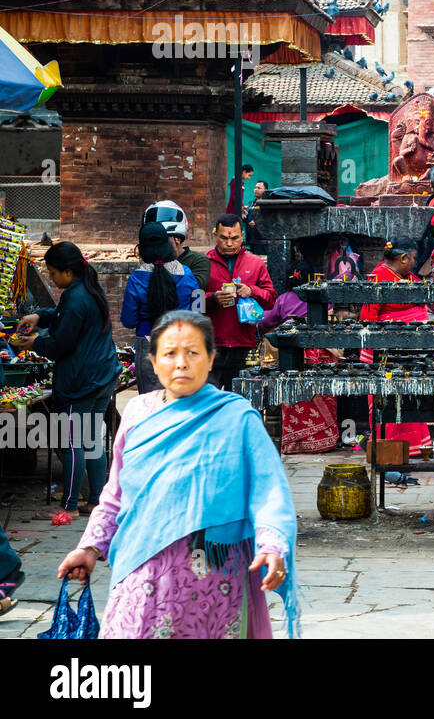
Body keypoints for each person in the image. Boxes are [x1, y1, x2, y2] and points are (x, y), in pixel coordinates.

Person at [56, 310, 300, 639]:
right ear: (153, 361)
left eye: (193, 352)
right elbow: (115, 494)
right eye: (170, 353)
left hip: (214, 578)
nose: (181, 363)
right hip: (142, 571)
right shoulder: (137, 413)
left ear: (211, 359)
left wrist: (272, 546)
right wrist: (89, 549)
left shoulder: (237, 417)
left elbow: (268, 492)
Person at [12, 242, 122, 524]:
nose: (50, 277)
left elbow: (62, 343)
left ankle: (70, 505)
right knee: (92, 440)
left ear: (68, 271)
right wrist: (39, 315)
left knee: (74, 442)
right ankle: (97, 501)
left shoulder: (76, 298)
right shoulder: (85, 289)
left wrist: (35, 342)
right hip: (102, 375)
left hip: (82, 381)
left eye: (52, 272)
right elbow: (62, 317)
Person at [257, 267, 341, 455]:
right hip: (324, 353)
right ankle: (325, 440)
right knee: (324, 395)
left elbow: (265, 322)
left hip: (296, 354)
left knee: (296, 398)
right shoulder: (324, 297)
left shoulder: (284, 299)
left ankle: (296, 443)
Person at [359, 239, 431, 448]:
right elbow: (368, 316)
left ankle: (412, 445)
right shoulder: (379, 277)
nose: (414, 262)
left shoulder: (404, 275)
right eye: (414, 258)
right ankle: (390, 446)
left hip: (408, 351)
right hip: (388, 351)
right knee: (391, 396)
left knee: (410, 394)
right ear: (403, 258)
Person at [120, 221, 202, 394]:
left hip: (148, 347)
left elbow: (128, 320)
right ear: (168, 245)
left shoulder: (136, 278)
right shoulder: (188, 274)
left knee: (151, 406)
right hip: (183, 347)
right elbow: (200, 312)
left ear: (141, 250)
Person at [205, 213, 276, 392]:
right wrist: (212, 298)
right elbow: (190, 302)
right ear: (215, 235)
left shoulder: (255, 263)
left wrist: (252, 291)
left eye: (235, 238)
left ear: (242, 236)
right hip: (210, 342)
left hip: (243, 343)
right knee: (207, 399)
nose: (229, 243)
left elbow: (271, 300)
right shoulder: (203, 262)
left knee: (236, 399)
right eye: (223, 238)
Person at [145, 200, 210, 290]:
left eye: (163, 240)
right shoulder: (151, 260)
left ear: (177, 239)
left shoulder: (198, 260)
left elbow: (196, 287)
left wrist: (169, 259)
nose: (158, 246)